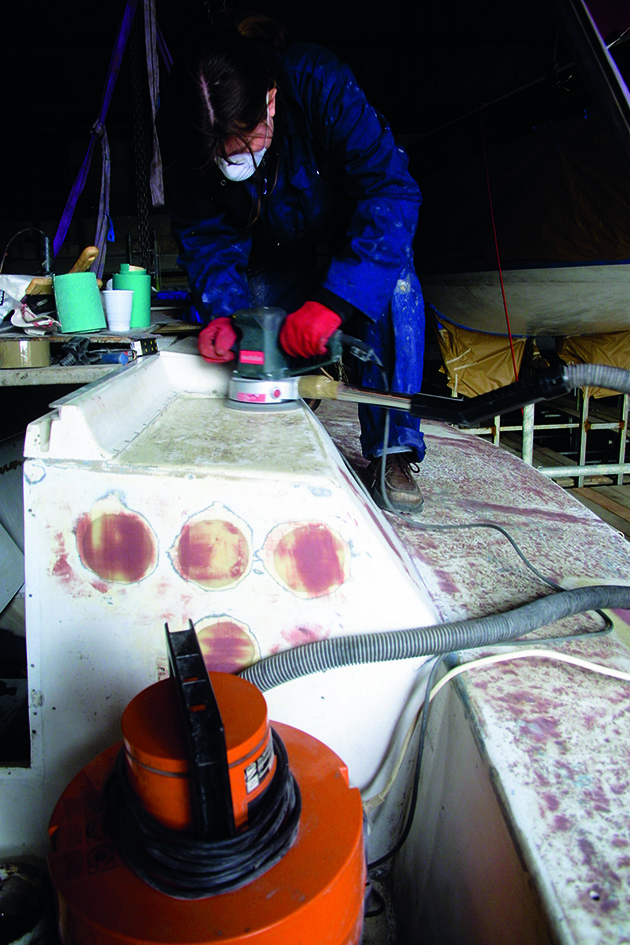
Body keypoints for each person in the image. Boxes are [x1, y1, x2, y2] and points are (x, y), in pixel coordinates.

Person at [157, 12, 426, 512]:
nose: (232, 158)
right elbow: (204, 233)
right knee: (249, 330)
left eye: (245, 141)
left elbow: (391, 191)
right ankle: (284, 416)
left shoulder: (319, 83)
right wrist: (223, 313)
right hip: (271, 255)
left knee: (396, 287)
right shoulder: (185, 126)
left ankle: (391, 448)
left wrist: (335, 301)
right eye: (220, 152)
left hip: (349, 245)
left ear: (270, 100)